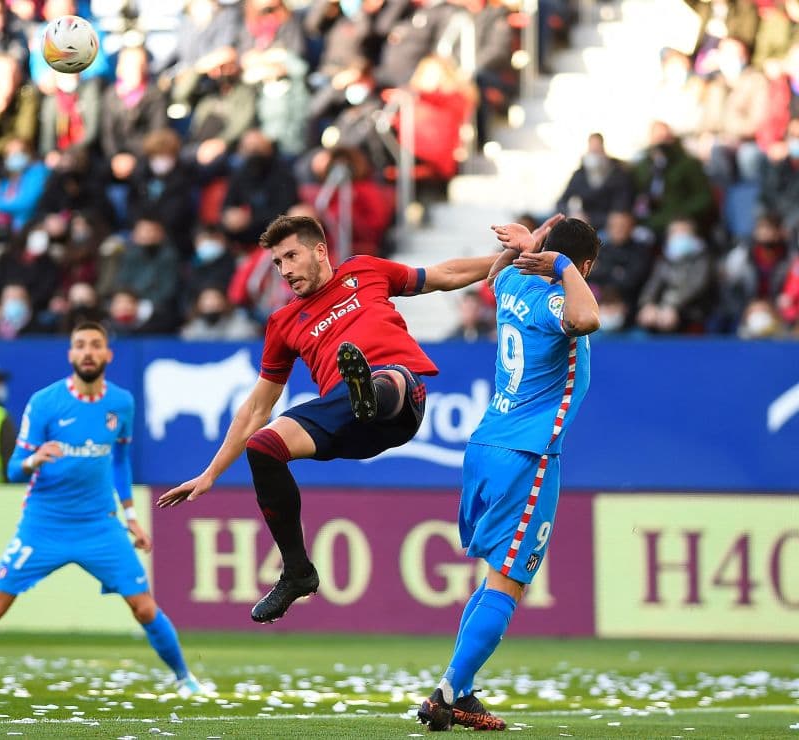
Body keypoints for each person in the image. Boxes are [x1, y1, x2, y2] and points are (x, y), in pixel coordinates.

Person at [157, 213, 558, 623]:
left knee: (385, 378)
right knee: (264, 447)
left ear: (319, 250)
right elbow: (257, 408)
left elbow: (443, 273)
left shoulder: (364, 271)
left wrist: (513, 256)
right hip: (345, 422)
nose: (286, 270)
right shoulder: (281, 323)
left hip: (401, 403)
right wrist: (210, 473)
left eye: (291, 256)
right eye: (278, 263)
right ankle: (297, 571)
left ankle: (368, 391)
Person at [0, 322, 203, 697]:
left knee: (144, 608)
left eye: (95, 345)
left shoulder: (121, 403)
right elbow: (12, 469)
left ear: (108, 354)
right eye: (80, 345)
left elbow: (120, 462)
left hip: (100, 527)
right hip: (44, 525)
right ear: (70, 355)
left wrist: (132, 519)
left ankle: (185, 678)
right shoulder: (45, 403)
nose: (88, 352)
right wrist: (33, 460)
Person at [417, 217, 600, 732]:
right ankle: (447, 693)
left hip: (486, 443)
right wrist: (560, 263)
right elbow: (588, 318)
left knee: (495, 575)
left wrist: (529, 250)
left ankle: (464, 691)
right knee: (510, 581)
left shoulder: (516, 285)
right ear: (584, 266)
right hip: (528, 455)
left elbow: (495, 276)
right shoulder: (555, 301)